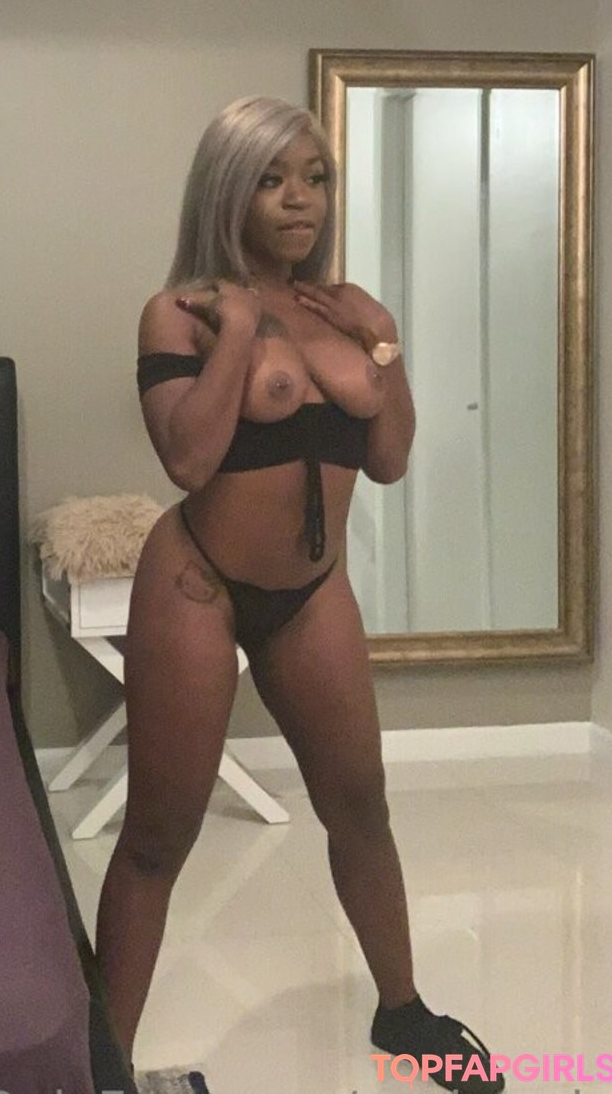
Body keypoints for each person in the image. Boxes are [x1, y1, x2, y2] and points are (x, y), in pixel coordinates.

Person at [94, 95, 502, 1094]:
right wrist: (239, 334)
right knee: (157, 835)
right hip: (198, 581)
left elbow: (390, 459)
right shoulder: (181, 310)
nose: (299, 199)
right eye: (273, 179)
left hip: (313, 590)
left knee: (361, 803)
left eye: (315, 177)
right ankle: (100, 1063)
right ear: (227, 187)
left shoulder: (343, 309)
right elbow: (188, 459)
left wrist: (385, 341)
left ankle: (403, 1011)